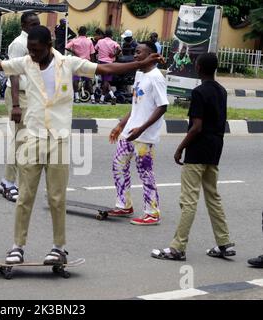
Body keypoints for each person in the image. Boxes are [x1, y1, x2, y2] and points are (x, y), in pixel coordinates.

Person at [0, 25, 163, 265]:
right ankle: (17, 246)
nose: (32, 54)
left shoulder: (69, 64)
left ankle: (59, 247)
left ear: (48, 46)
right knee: (25, 196)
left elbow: (106, 67)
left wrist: (139, 65)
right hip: (32, 139)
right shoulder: (26, 62)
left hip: (58, 141)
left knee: (57, 198)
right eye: (30, 50)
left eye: (36, 50)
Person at [151, 53, 236, 261]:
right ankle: (224, 243)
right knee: (213, 197)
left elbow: (196, 127)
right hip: (215, 150)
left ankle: (177, 247)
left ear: (198, 68)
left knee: (188, 201)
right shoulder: (222, 91)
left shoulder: (199, 92)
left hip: (197, 151)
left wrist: (180, 148)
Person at [108, 42, 168, 226]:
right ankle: (124, 205)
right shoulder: (140, 73)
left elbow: (162, 106)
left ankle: (152, 212)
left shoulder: (156, 77)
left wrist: (141, 128)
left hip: (144, 135)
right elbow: (136, 104)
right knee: (118, 166)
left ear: (151, 55)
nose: (135, 55)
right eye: (135, 52)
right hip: (129, 131)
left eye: (138, 52)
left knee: (145, 173)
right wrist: (121, 125)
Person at [0, 12, 40, 203]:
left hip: (31, 96)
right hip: (18, 96)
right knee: (19, 139)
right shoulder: (18, 44)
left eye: (38, 23)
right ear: (23, 26)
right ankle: (8, 182)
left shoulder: (37, 43)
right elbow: (13, 74)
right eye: (32, 24)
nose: (36, 26)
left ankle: (7, 182)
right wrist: (15, 105)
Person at [65, 26, 96, 103]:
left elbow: (66, 47)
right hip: (87, 63)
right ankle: (92, 99)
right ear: (86, 33)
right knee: (88, 81)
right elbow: (92, 54)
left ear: (78, 32)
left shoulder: (75, 40)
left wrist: (73, 52)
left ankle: (77, 97)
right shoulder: (89, 41)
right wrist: (92, 64)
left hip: (77, 62)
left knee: (75, 80)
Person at [95, 28, 121, 105]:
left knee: (104, 81)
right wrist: (114, 54)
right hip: (109, 63)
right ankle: (102, 99)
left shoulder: (100, 41)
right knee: (106, 81)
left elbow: (95, 49)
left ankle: (111, 96)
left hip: (101, 62)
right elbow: (119, 49)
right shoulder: (113, 42)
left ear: (105, 35)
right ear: (111, 35)